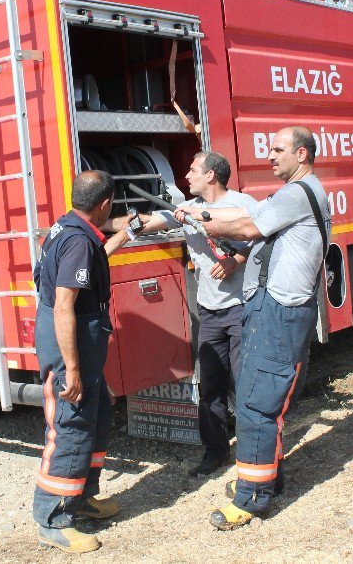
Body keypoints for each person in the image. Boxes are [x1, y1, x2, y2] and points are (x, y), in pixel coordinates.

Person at [190, 126, 331, 531]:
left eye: (278, 149)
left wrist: (211, 224)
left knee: (255, 404)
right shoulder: (300, 193)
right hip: (279, 310)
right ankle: (268, 477)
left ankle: (251, 498)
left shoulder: (296, 194)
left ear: (302, 154)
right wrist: (203, 213)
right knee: (263, 398)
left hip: (277, 313)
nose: (270, 155)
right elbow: (252, 216)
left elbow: (249, 228)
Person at [115, 151, 255, 476]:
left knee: (246, 383)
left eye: (193, 170)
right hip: (210, 313)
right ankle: (216, 451)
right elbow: (148, 223)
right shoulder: (184, 210)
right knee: (210, 385)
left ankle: (252, 451)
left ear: (211, 176)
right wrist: (110, 222)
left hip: (241, 310)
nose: (186, 175)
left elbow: (262, 240)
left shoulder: (243, 203)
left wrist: (236, 260)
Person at [31, 170, 138, 553]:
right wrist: (72, 370)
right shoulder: (77, 240)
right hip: (69, 345)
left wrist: (126, 234)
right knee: (72, 424)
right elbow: (64, 306)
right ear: (106, 203)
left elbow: (93, 263)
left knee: (97, 416)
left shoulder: (68, 228)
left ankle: (83, 497)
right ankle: (53, 518)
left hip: (81, 343)